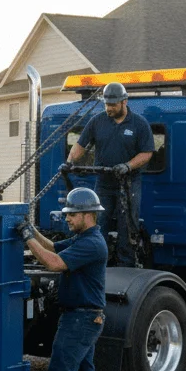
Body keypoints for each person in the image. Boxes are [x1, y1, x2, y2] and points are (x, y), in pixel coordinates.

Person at [15, 187, 109, 371]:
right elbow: (53, 248)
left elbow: (54, 263)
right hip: (86, 318)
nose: (66, 218)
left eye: (71, 214)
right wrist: (31, 230)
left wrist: (26, 238)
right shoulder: (84, 238)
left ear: (87, 215)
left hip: (80, 319)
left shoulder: (91, 244)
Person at [63, 82, 154, 266]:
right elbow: (80, 146)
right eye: (106, 104)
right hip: (104, 184)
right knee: (98, 224)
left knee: (127, 226)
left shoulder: (139, 124)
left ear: (124, 102)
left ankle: (125, 266)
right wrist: (69, 162)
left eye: (112, 105)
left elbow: (147, 153)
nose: (109, 108)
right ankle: (97, 262)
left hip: (129, 185)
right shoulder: (97, 121)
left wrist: (128, 166)